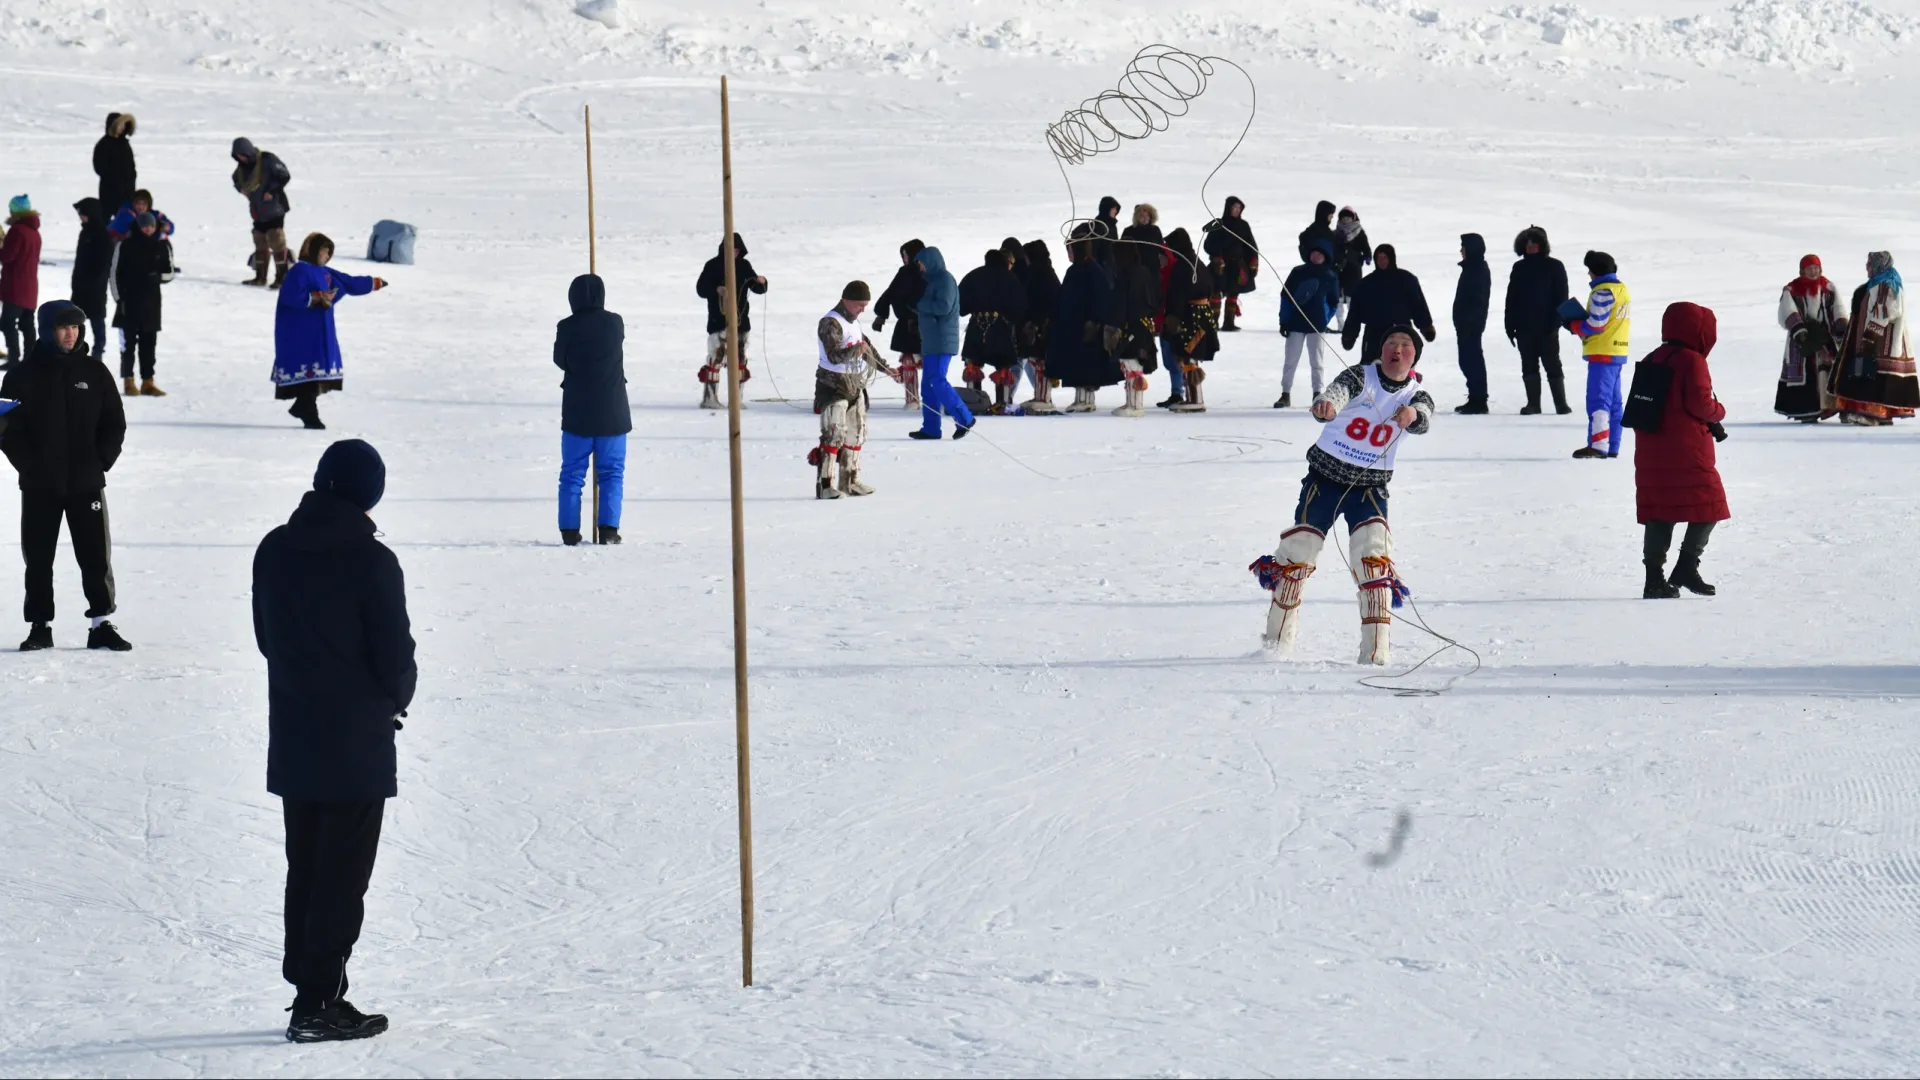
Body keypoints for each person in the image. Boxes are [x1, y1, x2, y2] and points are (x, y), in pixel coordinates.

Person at [252, 438, 415, 1043]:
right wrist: (396, 698)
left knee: (308, 867)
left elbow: (266, 636)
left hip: (296, 731)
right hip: (354, 741)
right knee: (342, 878)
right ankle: (318, 1002)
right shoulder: (373, 562)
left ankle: (312, 991)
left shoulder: (274, 548)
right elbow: (395, 657)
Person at [1250, 326, 1434, 665]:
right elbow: (1337, 393)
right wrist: (1327, 406)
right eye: (1391, 343)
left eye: (1406, 346)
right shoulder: (1360, 376)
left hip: (1370, 489)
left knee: (1374, 564)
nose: (1397, 349)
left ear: (1414, 357)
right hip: (1324, 480)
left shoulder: (1416, 395)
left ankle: (1376, 654)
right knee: (1296, 557)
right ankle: (1276, 644)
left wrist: (1411, 415)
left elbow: (1423, 418)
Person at [1, 300, 129, 652]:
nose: (70, 334)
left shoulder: (95, 372)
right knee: (39, 557)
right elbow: (6, 428)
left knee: (95, 555)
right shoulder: (20, 376)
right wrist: (29, 466)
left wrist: (100, 461)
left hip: (86, 482)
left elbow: (114, 423)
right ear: (46, 330)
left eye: (75, 327)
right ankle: (40, 626)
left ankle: (101, 623)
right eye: (63, 327)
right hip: (41, 484)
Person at [1631, 303, 1728, 599]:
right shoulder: (1692, 361)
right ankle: (1686, 565)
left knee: (1660, 510)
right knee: (1711, 504)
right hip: (1686, 451)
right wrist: (1719, 411)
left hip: (1651, 450)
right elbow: (1701, 405)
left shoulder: (1653, 357)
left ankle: (1654, 579)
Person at [273, 233, 388, 430]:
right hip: (299, 331)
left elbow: (347, 282)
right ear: (313, 251)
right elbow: (291, 297)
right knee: (307, 367)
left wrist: (371, 283)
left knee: (317, 368)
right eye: (324, 251)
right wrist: (318, 297)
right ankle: (307, 410)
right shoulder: (299, 271)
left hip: (318, 330)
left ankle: (304, 406)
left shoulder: (325, 272)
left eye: (329, 253)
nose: (326, 256)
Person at [553, 273, 629, 545]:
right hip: (613, 413)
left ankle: (569, 531)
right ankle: (609, 529)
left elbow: (559, 359)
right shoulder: (615, 322)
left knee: (572, 473)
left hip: (577, 413)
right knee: (611, 473)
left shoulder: (566, 326)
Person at [813, 281, 897, 497]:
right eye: (860, 304)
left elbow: (868, 349)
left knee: (856, 434)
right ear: (847, 300)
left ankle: (850, 481)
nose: (863, 309)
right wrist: (856, 349)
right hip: (833, 387)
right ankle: (824, 485)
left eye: (865, 305)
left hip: (854, 386)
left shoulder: (854, 324)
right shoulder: (830, 322)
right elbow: (834, 355)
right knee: (833, 435)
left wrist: (886, 369)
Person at [1832, 251, 1913, 426]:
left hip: (1882, 340)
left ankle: (1873, 414)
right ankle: (1882, 414)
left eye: (1869, 265)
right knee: (1874, 375)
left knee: (1874, 375)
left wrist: (1870, 336)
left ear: (1878, 266)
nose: (1866, 268)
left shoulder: (1886, 285)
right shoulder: (1879, 283)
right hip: (1881, 337)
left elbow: (1885, 312)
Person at [1047, 226, 1120, 414]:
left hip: (1088, 327)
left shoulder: (1093, 271)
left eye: (1071, 250)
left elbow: (1101, 299)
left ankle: (1086, 399)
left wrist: (1093, 322)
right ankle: (1080, 398)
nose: (1069, 254)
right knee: (1076, 363)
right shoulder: (1074, 270)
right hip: (1073, 326)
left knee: (1086, 363)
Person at [1567, 251, 1632, 458]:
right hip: (1617, 351)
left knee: (1598, 400)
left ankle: (1598, 445)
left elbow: (1596, 324)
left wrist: (1573, 325)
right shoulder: (1622, 289)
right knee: (1614, 402)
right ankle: (1612, 445)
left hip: (1602, 352)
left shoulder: (1603, 291)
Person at [1505, 225, 1572, 415]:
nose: (1531, 246)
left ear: (1543, 245)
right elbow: (1511, 298)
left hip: (1547, 327)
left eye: (1535, 242)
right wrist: (1509, 324)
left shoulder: (1554, 266)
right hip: (1524, 327)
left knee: (1552, 364)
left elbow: (1562, 297)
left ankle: (1561, 403)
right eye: (1527, 243)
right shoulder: (1519, 268)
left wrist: (1555, 323)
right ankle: (1533, 403)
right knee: (1528, 365)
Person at [694, 233, 766, 410]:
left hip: (741, 322)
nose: (734, 252)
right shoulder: (713, 265)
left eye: (736, 250)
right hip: (719, 320)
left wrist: (761, 282)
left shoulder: (744, 265)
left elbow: (757, 288)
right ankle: (710, 398)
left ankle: (736, 399)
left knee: (740, 360)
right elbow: (701, 289)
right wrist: (716, 289)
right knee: (716, 358)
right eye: (731, 249)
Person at [1774, 254, 1847, 422]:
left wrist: (1841, 323)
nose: (1813, 272)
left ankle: (1828, 406)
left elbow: (1838, 307)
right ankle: (1806, 410)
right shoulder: (1792, 290)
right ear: (1802, 271)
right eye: (1809, 269)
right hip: (1802, 337)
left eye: (1816, 268)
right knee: (1806, 372)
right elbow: (1787, 310)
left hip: (1824, 336)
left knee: (1829, 370)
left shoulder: (1829, 288)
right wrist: (1799, 328)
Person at [908, 246, 972, 440]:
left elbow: (943, 306)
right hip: (932, 340)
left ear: (930, 261)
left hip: (941, 340)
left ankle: (964, 418)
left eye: (921, 263)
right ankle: (931, 428)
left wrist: (920, 305)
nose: (920, 268)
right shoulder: (934, 282)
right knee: (928, 386)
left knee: (937, 380)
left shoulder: (945, 280)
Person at [1340, 243, 1435, 364]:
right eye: (1379, 258)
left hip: (1401, 331)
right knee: (1371, 372)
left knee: (1400, 370)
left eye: (1385, 257)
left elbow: (1419, 306)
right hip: (1374, 336)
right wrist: (1349, 335)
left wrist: (1426, 327)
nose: (1382, 261)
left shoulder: (1407, 280)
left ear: (1391, 258)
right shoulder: (1365, 284)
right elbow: (1355, 313)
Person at [958, 249, 1026, 414]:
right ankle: (1002, 404)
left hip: (976, 328)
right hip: (1000, 329)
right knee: (1003, 365)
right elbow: (1019, 307)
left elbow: (960, 306)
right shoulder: (1010, 278)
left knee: (972, 363)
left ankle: (973, 403)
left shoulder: (972, 276)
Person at [1276, 237, 1340, 408]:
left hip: (1317, 326)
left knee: (1317, 361)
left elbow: (1334, 301)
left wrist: (1325, 317)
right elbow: (1286, 298)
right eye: (1314, 252)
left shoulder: (1330, 276)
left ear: (1326, 256)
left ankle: (1317, 394)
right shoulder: (1297, 272)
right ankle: (1285, 393)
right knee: (1291, 360)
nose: (1316, 255)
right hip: (1295, 324)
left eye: (1320, 253)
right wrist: (1284, 321)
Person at [111, 212, 170, 397]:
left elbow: (170, 272)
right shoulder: (125, 245)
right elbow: (114, 274)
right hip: (129, 303)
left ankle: (148, 381)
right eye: (145, 226)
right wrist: (119, 299)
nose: (148, 229)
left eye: (151, 226)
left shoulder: (161, 246)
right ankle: (128, 380)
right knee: (128, 345)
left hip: (152, 304)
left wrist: (157, 277)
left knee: (149, 344)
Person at [1162, 227, 1218, 413]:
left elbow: (1178, 293)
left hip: (1188, 316)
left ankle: (1195, 398)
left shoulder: (1182, 265)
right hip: (1202, 314)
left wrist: (1173, 317)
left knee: (1188, 356)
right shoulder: (1196, 262)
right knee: (1190, 356)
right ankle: (1193, 396)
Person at [232, 138, 294, 288]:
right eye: (238, 155)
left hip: (275, 208)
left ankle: (282, 278)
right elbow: (236, 180)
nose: (241, 158)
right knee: (260, 241)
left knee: (276, 241)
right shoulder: (241, 169)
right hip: (258, 210)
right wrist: (242, 190)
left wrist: (272, 191)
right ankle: (260, 277)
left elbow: (284, 175)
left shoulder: (267, 160)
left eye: (243, 154)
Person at [871, 239, 925, 411]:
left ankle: (933, 399)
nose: (904, 259)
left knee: (931, 363)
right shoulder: (903, 273)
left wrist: (917, 312)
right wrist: (881, 313)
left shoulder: (928, 273)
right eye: (903, 256)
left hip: (925, 324)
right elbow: (890, 293)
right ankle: (912, 399)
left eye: (906, 255)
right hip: (905, 325)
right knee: (909, 361)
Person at [1109, 243, 1161, 417]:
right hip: (1144, 324)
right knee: (1133, 362)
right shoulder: (1144, 271)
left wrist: (1116, 322)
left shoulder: (1126, 274)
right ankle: (1133, 403)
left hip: (1131, 325)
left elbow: (1120, 302)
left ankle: (1135, 405)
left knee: (1131, 364)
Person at [1018, 238, 1062, 414]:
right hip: (1037, 325)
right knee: (1035, 362)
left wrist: (1036, 322)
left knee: (1040, 362)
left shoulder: (1043, 275)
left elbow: (1046, 303)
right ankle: (1039, 395)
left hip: (1043, 327)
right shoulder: (1039, 273)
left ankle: (1044, 398)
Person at [1203, 196, 1258, 331]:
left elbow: (1250, 245)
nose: (1236, 210)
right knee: (1216, 293)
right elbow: (1208, 244)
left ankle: (1229, 323)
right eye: (1234, 208)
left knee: (1233, 293)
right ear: (1228, 208)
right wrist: (1217, 257)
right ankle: (1213, 323)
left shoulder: (1243, 225)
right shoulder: (1219, 223)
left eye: (1239, 208)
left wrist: (1253, 260)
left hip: (1237, 265)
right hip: (1220, 265)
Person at [1452, 233, 1492, 414]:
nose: (1461, 250)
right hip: (1466, 324)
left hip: (1471, 325)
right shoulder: (1472, 268)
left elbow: (1477, 299)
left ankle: (1479, 400)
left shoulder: (1478, 270)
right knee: (1467, 360)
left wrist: (1468, 320)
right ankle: (1475, 397)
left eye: (1464, 247)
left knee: (1472, 360)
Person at [69, 199, 113, 361]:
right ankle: (76, 350)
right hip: (81, 286)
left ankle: (98, 353)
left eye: (83, 215)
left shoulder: (102, 236)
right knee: (76, 321)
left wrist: (92, 280)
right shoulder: (85, 232)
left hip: (95, 287)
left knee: (96, 320)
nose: (81, 218)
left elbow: (103, 264)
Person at [1, 196, 41, 370]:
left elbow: (7, 256)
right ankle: (31, 358)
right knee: (27, 323)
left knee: (7, 322)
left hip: (15, 286)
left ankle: (15, 358)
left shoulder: (17, 231)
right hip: (30, 285)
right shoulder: (34, 232)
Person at [1332, 206, 1372, 328]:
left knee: (1352, 296)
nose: (1346, 221)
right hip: (1339, 269)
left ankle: (1353, 322)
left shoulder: (1359, 233)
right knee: (1337, 296)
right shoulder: (1335, 234)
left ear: (1353, 219)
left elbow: (1365, 246)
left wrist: (1367, 256)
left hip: (1354, 268)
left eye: (1348, 219)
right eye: (1343, 219)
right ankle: (1340, 322)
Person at [93, 113, 137, 214]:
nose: (122, 127)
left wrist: (132, 177)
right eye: (120, 125)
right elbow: (99, 167)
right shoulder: (104, 144)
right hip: (110, 191)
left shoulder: (124, 143)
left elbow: (131, 166)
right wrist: (114, 178)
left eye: (124, 125)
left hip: (128, 191)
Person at [105, 189, 176, 241]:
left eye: (144, 204)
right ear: (133, 203)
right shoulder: (126, 213)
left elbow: (169, 226)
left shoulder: (154, 215)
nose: (141, 207)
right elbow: (117, 229)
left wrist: (166, 227)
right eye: (138, 203)